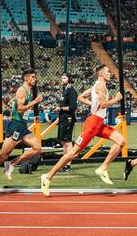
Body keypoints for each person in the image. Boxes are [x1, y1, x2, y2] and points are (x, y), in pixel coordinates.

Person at [38, 64, 127, 197]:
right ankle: (47, 176)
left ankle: (102, 168)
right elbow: (103, 104)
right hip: (92, 124)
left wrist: (93, 104)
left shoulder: (96, 86)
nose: (110, 74)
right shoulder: (100, 86)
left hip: (99, 123)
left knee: (121, 141)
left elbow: (80, 97)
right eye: (108, 72)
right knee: (73, 153)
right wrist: (117, 98)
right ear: (101, 74)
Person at [0, 69, 48, 182]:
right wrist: (35, 101)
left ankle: (12, 164)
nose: (35, 79)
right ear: (26, 78)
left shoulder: (28, 91)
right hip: (16, 125)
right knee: (3, 155)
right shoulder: (22, 90)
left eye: (35, 77)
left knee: (38, 148)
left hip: (22, 125)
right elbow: (20, 109)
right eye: (32, 77)